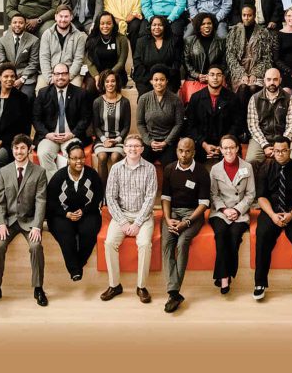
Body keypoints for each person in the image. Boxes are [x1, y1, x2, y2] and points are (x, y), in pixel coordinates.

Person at [0, 134, 48, 307]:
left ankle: (38, 288)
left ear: (29, 150)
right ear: (12, 150)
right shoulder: (4, 172)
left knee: (36, 247)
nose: (19, 151)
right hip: (9, 221)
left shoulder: (39, 172)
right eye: (16, 148)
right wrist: (1, 223)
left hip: (29, 221)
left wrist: (37, 226)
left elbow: (41, 201)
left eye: (23, 148)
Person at [253, 136, 292, 303]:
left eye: (283, 150)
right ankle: (260, 283)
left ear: (290, 151)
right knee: (262, 235)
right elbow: (261, 197)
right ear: (273, 151)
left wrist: (291, 214)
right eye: (277, 151)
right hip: (271, 211)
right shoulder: (265, 168)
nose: (280, 154)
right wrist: (272, 215)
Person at [101, 134, 157, 304]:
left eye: (136, 146)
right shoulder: (116, 168)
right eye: (129, 146)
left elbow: (150, 199)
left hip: (143, 216)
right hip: (122, 214)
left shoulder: (150, 169)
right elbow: (110, 198)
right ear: (124, 149)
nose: (133, 148)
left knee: (145, 244)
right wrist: (123, 222)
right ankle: (114, 285)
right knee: (109, 243)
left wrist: (138, 223)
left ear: (142, 149)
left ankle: (141, 286)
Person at [160, 138, 210, 313]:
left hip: (193, 214)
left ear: (194, 152)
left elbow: (204, 204)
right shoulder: (169, 169)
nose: (184, 154)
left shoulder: (201, 172)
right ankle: (174, 294)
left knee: (182, 242)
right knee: (167, 244)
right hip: (173, 212)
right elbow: (165, 198)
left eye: (188, 151)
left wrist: (187, 222)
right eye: (181, 151)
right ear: (176, 151)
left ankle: (173, 292)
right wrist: (167, 219)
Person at [46, 141, 104, 282]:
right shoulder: (59, 176)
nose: (79, 161)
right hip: (62, 214)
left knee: (88, 232)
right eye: (75, 158)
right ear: (68, 159)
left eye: (81, 158)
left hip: (87, 212)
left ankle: (79, 264)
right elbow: (51, 201)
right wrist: (65, 213)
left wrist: (84, 211)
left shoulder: (92, 175)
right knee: (66, 235)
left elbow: (98, 197)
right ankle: (74, 270)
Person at [209, 135, 255, 294]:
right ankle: (224, 277)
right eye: (225, 148)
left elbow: (250, 194)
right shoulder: (215, 169)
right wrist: (224, 209)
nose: (228, 151)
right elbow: (213, 194)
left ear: (237, 148)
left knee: (235, 236)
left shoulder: (247, 167)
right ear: (221, 150)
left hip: (240, 212)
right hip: (220, 212)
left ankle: (224, 275)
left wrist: (237, 210)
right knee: (221, 234)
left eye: (231, 147)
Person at [33, 62, 93, 178]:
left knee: (75, 154)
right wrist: (47, 134)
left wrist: (72, 134)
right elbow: (36, 119)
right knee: (43, 153)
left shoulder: (80, 93)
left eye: (64, 74)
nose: (60, 77)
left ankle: (73, 184)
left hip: (72, 136)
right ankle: (56, 183)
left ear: (69, 75)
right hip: (50, 137)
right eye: (57, 74)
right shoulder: (43, 93)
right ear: (52, 76)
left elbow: (85, 118)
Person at [185, 65, 243, 163]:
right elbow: (191, 125)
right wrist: (204, 144)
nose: (215, 78)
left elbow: (237, 124)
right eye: (212, 75)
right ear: (207, 77)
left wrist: (224, 144)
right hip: (201, 144)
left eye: (218, 75)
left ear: (223, 77)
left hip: (227, 143)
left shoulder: (233, 98)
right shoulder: (196, 98)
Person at [246, 68, 292, 164]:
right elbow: (253, 126)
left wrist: (281, 145)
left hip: (284, 137)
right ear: (264, 80)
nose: (272, 82)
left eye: (275, 79)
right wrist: (265, 145)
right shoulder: (254, 99)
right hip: (261, 138)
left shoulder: (289, 98)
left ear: (280, 80)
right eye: (269, 79)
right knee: (251, 160)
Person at [0, 63, 32, 171]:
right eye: (6, 76)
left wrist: (2, 141)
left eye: (12, 76)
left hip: (12, 141)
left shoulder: (22, 99)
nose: (9, 79)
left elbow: (23, 127)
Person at [226, 0, 274, 109]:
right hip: (238, 70)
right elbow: (231, 57)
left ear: (254, 15)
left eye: (249, 15)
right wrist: (242, 74)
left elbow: (266, 58)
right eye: (244, 15)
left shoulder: (263, 32)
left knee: (253, 87)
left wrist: (255, 74)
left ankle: (255, 116)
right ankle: (241, 118)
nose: (246, 18)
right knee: (243, 87)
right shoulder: (234, 31)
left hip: (257, 70)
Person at [136, 64, 184, 166]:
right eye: (156, 80)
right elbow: (140, 123)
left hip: (169, 142)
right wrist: (149, 141)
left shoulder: (176, 100)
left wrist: (166, 142)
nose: (159, 83)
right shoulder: (144, 99)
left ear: (167, 81)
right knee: (141, 164)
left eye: (162, 80)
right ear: (151, 81)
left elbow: (179, 124)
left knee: (170, 166)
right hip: (149, 141)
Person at [91, 69, 131, 184]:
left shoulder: (125, 102)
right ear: (103, 84)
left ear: (117, 83)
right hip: (101, 139)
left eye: (113, 81)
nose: (110, 84)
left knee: (115, 157)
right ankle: (103, 189)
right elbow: (96, 126)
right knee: (102, 157)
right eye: (107, 81)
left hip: (118, 139)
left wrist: (116, 140)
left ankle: (115, 188)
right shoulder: (97, 102)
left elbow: (126, 126)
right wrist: (104, 140)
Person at [37, 4, 87, 90]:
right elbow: (44, 58)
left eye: (66, 16)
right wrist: (50, 79)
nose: (63, 20)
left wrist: (67, 77)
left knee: (75, 91)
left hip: (71, 74)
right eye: (61, 16)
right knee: (40, 90)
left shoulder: (79, 36)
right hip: (51, 74)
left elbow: (78, 60)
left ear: (71, 17)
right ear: (56, 17)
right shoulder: (47, 34)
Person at [132, 16, 182, 97]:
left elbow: (177, 62)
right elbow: (137, 62)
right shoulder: (141, 41)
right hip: (147, 79)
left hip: (168, 79)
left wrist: (163, 79)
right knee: (145, 95)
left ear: (165, 26)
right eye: (154, 25)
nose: (157, 27)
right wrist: (153, 79)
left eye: (160, 25)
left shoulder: (174, 41)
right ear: (150, 26)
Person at [182, 13, 225, 103]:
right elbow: (186, 62)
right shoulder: (189, 41)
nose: (206, 26)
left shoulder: (221, 42)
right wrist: (197, 75)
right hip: (194, 79)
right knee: (194, 101)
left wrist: (212, 76)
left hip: (215, 79)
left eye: (209, 23)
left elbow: (224, 63)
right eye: (203, 24)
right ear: (198, 26)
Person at [82, 11, 129, 95]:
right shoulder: (92, 39)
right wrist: (97, 76)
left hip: (116, 73)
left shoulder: (121, 39)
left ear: (113, 24)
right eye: (102, 23)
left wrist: (107, 76)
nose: (105, 26)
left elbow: (121, 63)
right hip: (96, 73)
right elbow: (88, 60)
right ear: (98, 24)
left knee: (111, 86)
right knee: (90, 88)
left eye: (108, 23)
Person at [0, 14, 40, 102]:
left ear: (25, 24)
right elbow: (1, 62)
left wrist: (21, 79)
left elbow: (34, 63)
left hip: (27, 76)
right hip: (8, 74)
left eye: (20, 23)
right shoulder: (2, 41)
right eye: (15, 22)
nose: (17, 25)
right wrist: (10, 78)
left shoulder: (34, 40)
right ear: (11, 24)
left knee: (27, 96)